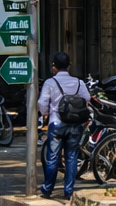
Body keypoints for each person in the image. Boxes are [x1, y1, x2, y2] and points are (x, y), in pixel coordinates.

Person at [37, 52, 89, 200]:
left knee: (52, 157)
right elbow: (87, 99)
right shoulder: (79, 82)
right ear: (69, 66)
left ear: (54, 67)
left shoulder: (50, 83)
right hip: (75, 125)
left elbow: (42, 103)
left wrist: (46, 113)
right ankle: (68, 191)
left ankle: (48, 189)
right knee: (71, 157)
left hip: (56, 123)